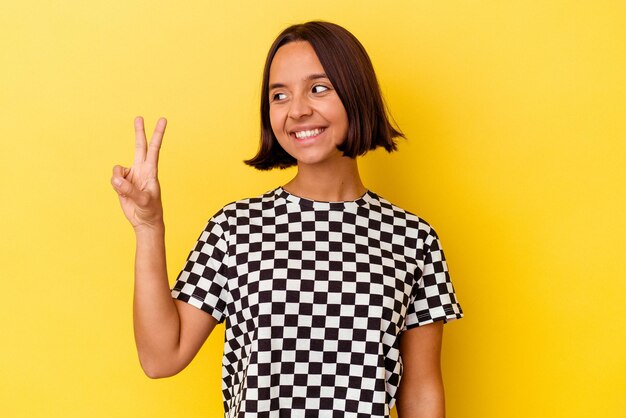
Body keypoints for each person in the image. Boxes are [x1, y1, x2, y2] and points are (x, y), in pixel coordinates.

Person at [111, 21, 463, 418]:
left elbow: (421, 389)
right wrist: (148, 226)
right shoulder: (235, 229)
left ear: (356, 93)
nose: (297, 110)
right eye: (280, 95)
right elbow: (161, 358)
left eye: (318, 88)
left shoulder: (413, 239)